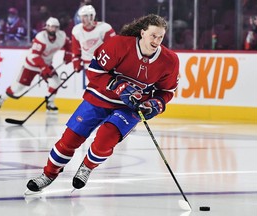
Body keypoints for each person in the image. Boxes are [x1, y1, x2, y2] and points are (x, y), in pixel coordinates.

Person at [26, 14, 179, 193]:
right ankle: (49, 174)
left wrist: (155, 104)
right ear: (143, 33)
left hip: (129, 107)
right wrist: (117, 86)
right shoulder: (119, 45)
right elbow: (94, 71)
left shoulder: (169, 60)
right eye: (153, 35)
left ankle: (87, 167)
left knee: (106, 138)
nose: (157, 40)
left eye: (161, 37)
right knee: (70, 139)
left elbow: (166, 92)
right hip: (100, 97)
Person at [0, 17, 72, 113]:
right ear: (46, 27)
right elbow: (35, 55)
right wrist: (43, 68)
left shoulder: (62, 36)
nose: (51, 29)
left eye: (54, 27)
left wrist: (68, 55)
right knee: (18, 87)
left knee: (55, 82)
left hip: (46, 64)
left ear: (57, 28)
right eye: (49, 27)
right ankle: (1, 98)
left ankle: (50, 103)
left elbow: (69, 44)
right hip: (31, 65)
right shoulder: (41, 37)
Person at [71, 5, 115, 87]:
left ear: (92, 16)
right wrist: (76, 62)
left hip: (104, 65)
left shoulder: (104, 29)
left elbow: (113, 48)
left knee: (107, 89)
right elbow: (76, 49)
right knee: (96, 89)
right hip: (89, 67)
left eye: (85, 16)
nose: (82, 19)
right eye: (81, 16)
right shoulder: (77, 30)